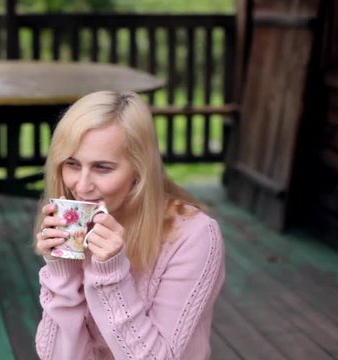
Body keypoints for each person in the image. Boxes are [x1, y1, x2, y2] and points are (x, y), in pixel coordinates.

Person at [34, 90, 225, 359]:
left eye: (102, 167)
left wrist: (111, 276)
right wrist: (62, 272)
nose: (81, 185)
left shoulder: (194, 235)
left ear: (139, 169)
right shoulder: (76, 227)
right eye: (72, 163)